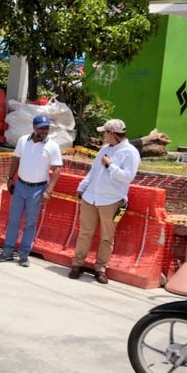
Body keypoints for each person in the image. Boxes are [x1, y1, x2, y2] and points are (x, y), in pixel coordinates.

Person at [69, 119, 140, 284]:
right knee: (85, 233)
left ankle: (100, 268)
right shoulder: (104, 150)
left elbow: (128, 177)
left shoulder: (130, 152)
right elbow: (93, 172)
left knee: (107, 237)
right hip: (90, 197)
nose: (103, 136)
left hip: (111, 201)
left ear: (112, 134)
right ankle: (77, 264)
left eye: (105, 133)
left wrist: (111, 166)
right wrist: (82, 186)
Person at [0, 114, 63, 267]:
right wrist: (10, 178)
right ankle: (7, 251)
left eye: (47, 128)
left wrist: (49, 191)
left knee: (30, 223)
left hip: (37, 189)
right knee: (13, 220)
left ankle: (24, 254)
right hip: (20, 186)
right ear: (34, 128)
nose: (45, 131)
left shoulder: (52, 146)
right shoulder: (23, 141)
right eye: (41, 128)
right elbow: (16, 159)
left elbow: (57, 169)